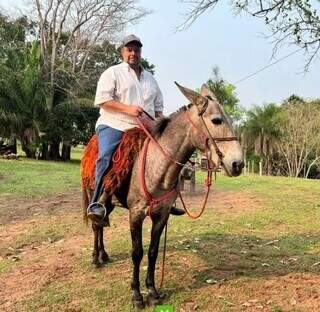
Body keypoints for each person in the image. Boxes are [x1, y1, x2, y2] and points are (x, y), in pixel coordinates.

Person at [87, 34, 185, 222]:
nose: (133, 53)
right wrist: (128, 109)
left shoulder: (150, 79)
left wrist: (164, 124)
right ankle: (97, 202)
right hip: (116, 124)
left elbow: (158, 110)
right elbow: (102, 101)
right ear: (122, 52)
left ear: (141, 52)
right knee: (107, 156)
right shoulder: (112, 73)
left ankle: (168, 200)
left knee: (171, 155)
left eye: (136, 50)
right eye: (129, 50)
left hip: (146, 128)